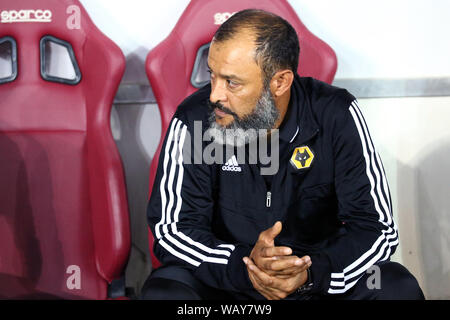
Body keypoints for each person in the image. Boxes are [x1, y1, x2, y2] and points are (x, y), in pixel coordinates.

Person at [141, 9, 424, 300]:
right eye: (212, 76)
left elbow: (377, 228)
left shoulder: (336, 114)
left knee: (393, 286)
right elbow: (172, 229)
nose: (214, 95)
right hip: (230, 283)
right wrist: (246, 267)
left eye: (232, 82)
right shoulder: (195, 118)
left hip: (317, 283)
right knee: (165, 291)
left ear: (280, 82)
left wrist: (310, 274)